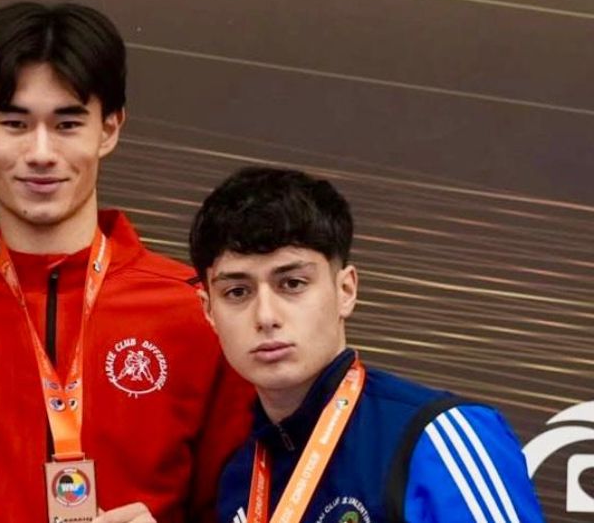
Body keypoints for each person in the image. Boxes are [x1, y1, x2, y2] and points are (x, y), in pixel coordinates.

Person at [0, 1, 253, 523]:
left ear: (109, 128)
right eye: (14, 122)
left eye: (68, 123)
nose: (41, 153)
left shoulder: (195, 308)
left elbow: (246, 505)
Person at [190, 167, 544, 522]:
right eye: (237, 292)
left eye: (292, 284)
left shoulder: (438, 436)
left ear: (345, 291)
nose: (266, 316)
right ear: (209, 310)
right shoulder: (240, 480)